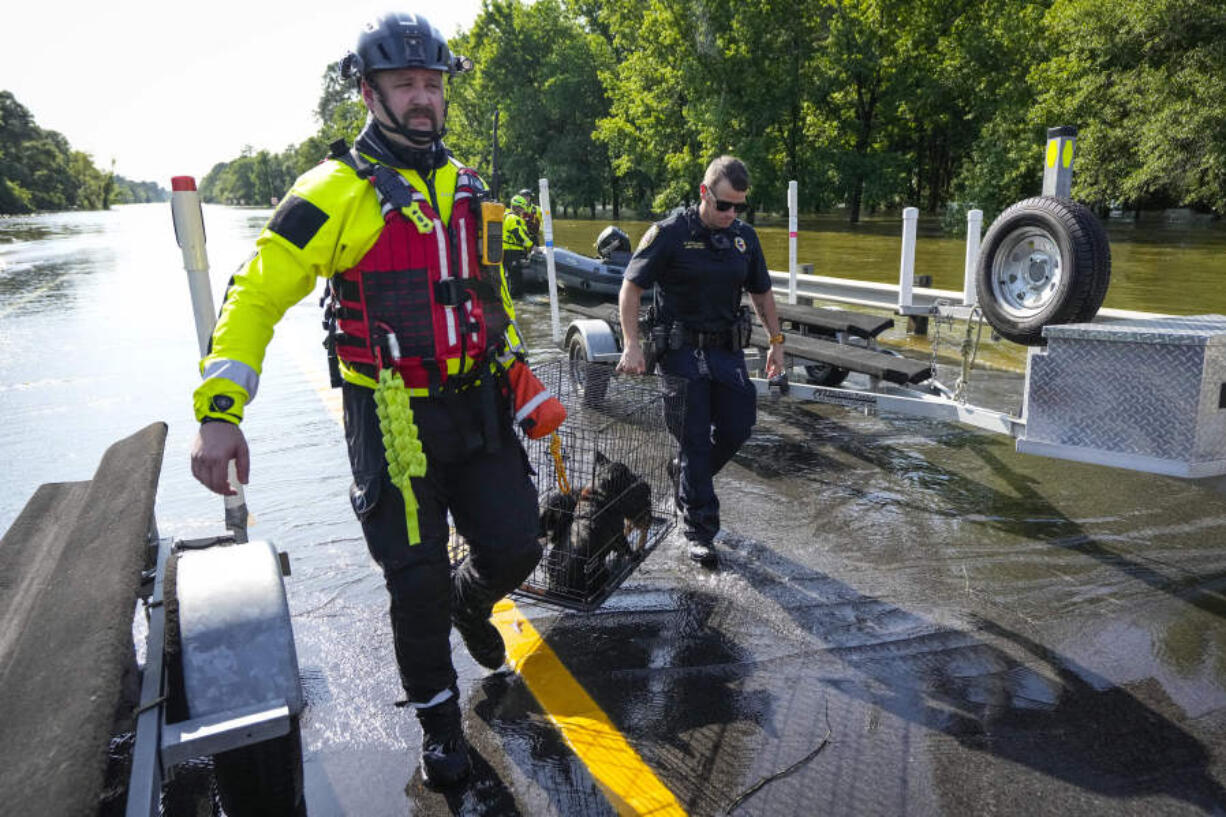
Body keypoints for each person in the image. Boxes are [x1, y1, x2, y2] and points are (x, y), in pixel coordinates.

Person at [189, 11, 542, 788]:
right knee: (412, 582)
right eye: (404, 84)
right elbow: (254, 295)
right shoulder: (332, 191)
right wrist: (220, 411)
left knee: (521, 544)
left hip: (477, 405)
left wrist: (522, 378)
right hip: (390, 416)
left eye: (432, 84)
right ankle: (441, 722)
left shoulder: (469, 185)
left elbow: (488, 293)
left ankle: (472, 600)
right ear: (369, 93)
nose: (423, 98)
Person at [615, 156, 785, 567]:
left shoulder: (744, 238)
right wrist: (631, 343)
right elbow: (631, 287)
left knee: (738, 426)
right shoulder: (670, 233)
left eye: (739, 206)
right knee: (693, 438)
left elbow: (762, 295)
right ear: (704, 192)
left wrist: (777, 344)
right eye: (724, 205)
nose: (732, 214)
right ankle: (700, 531)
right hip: (679, 352)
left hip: (726, 352)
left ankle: (686, 473)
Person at [501, 192, 535, 298]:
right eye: (522, 208)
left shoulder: (507, 216)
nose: (523, 211)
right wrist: (532, 246)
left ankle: (513, 296)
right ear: (518, 207)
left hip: (508, 250)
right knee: (516, 276)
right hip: (511, 251)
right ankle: (516, 298)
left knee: (512, 275)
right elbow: (518, 235)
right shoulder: (513, 219)